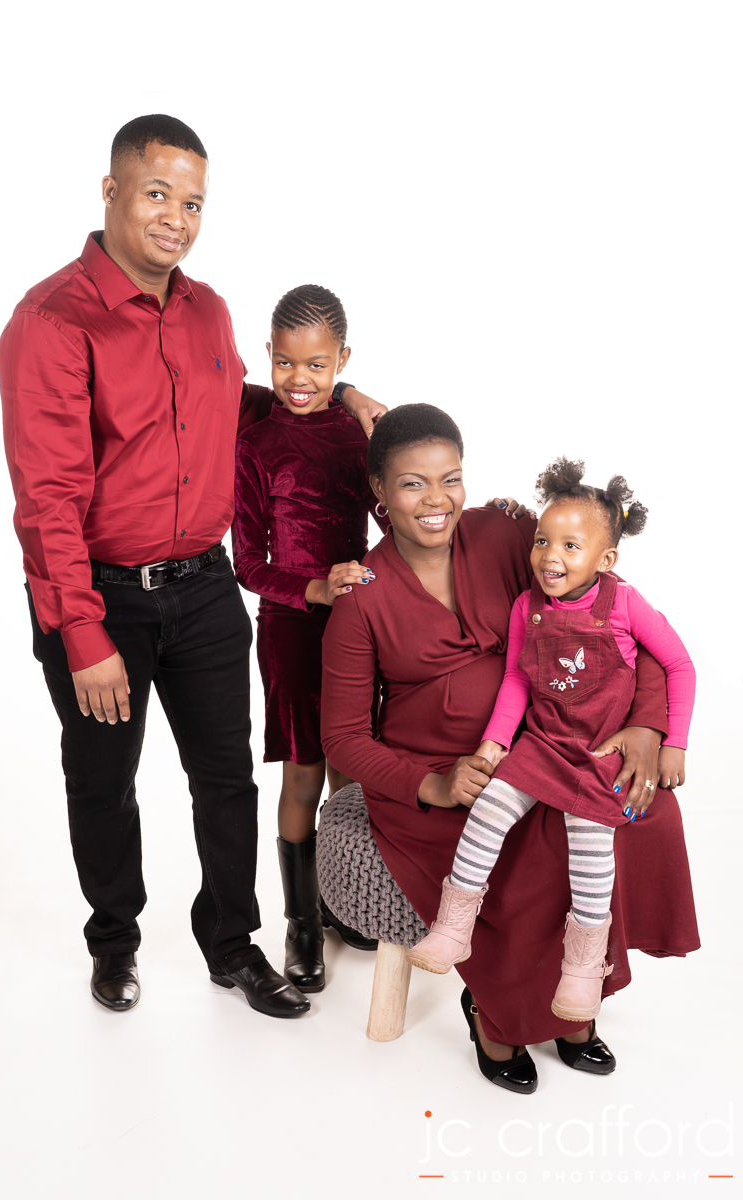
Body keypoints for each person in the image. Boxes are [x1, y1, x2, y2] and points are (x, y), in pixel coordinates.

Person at [0, 114, 384, 1019]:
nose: (177, 217)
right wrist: (82, 632)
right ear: (112, 191)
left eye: (195, 203)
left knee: (227, 779)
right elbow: (46, 498)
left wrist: (343, 394)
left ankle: (232, 944)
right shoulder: (52, 322)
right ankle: (114, 943)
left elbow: (237, 402)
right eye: (158, 194)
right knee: (105, 782)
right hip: (101, 597)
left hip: (206, 587)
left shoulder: (208, 310)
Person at [321, 405, 699, 1093]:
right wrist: (431, 786)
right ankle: (498, 1014)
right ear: (378, 490)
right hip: (437, 778)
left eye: (451, 479)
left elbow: (616, 616)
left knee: (642, 814)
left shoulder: (503, 532)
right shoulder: (361, 597)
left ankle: (577, 997)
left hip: (550, 745)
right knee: (530, 851)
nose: (436, 500)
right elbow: (342, 738)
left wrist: (649, 726)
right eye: (412, 484)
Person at [233, 285, 533, 991]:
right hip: (296, 627)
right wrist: (315, 588)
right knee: (305, 770)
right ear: (267, 356)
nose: (299, 380)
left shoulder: (359, 431)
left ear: (343, 361)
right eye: (284, 364)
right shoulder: (254, 442)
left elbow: (411, 504)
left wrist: (494, 516)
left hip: (373, 619)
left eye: (317, 366)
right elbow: (247, 562)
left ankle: (346, 896)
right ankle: (302, 922)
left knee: (359, 768)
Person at [407, 458, 696, 1031]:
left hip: (599, 755)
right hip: (543, 743)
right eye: (542, 540)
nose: (549, 556)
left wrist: (674, 745)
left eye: (570, 545)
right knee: (489, 810)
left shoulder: (624, 604)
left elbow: (678, 664)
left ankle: (583, 965)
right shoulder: (527, 607)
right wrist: (494, 744)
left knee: (590, 845)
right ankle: (454, 926)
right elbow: (517, 681)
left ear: (606, 560)